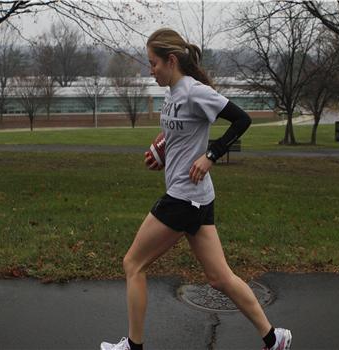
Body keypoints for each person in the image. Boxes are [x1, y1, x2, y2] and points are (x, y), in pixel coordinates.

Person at [100, 28, 292, 350]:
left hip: (184, 197)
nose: (151, 71)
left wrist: (211, 155)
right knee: (220, 278)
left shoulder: (194, 91)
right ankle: (274, 339)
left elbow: (242, 120)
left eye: (153, 64)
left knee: (133, 264)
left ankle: (133, 347)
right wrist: (160, 152)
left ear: (171, 60)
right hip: (198, 198)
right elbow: (178, 134)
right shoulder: (172, 93)